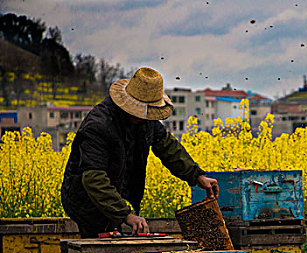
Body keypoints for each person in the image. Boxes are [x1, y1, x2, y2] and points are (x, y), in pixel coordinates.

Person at [61, 67, 218, 237]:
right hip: (86, 202)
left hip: (116, 194)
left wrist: (197, 176)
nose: (148, 117)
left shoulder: (145, 122)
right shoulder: (99, 126)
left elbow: (168, 147)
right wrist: (125, 214)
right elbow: (93, 178)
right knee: (98, 249)